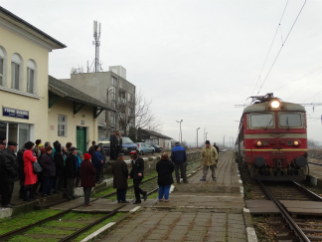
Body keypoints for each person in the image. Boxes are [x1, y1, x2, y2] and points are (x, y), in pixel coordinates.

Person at [0, 141, 18, 207]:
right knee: (6, 190)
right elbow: (6, 164)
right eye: (15, 146)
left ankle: (8, 202)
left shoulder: (11, 153)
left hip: (11, 176)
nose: (15, 147)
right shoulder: (6, 153)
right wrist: (13, 171)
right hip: (7, 175)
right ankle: (5, 203)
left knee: (10, 190)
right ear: (11, 146)